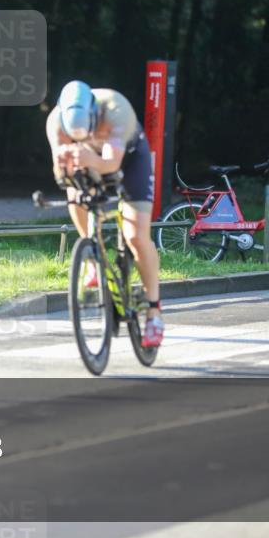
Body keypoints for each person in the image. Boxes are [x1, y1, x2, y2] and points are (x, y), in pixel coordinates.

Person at [46, 80, 164, 347]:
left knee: (136, 236)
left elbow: (111, 164)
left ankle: (154, 311)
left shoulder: (115, 110)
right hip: (91, 159)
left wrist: (87, 159)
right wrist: (65, 165)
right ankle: (91, 254)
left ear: (94, 115)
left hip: (129, 159)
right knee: (73, 191)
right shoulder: (55, 122)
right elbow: (59, 172)